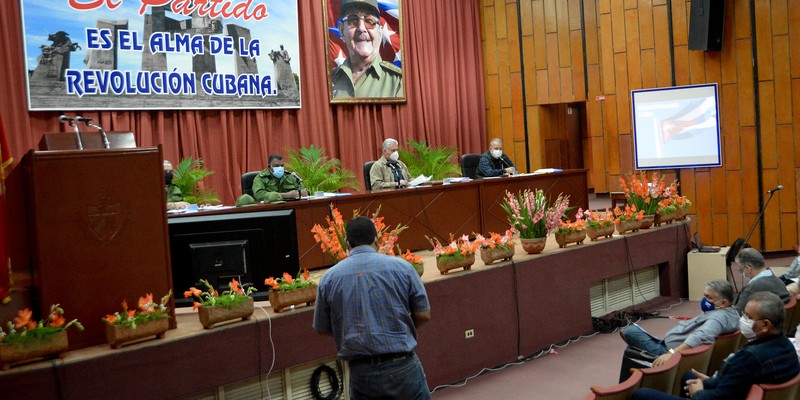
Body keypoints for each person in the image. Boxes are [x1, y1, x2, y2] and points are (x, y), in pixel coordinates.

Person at [313, 216, 431, 399]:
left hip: (362, 373)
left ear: (346, 242)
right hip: (402, 367)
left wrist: (353, 333)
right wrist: (399, 330)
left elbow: (322, 328)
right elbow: (423, 315)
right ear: (376, 239)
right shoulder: (403, 268)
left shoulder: (329, 278)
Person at [631, 291, 800, 400]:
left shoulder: (750, 357)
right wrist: (714, 380)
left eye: (748, 317)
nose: (743, 320)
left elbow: (720, 398)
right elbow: (740, 381)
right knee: (687, 376)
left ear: (765, 325)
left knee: (641, 395)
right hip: (740, 391)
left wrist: (699, 392)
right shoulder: (786, 346)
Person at [618, 280, 739, 382]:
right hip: (670, 346)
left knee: (630, 332)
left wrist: (670, 354)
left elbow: (701, 336)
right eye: (704, 296)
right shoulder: (731, 313)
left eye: (709, 297)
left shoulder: (718, 318)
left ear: (723, 302)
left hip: (668, 351)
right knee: (632, 349)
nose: (704, 300)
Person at [331, 0, 403, 98]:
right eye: (353, 20)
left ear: (380, 32)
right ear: (342, 31)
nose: (361, 28)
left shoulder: (399, 83)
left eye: (370, 21)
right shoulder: (328, 81)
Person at [733, 247, 790, 313]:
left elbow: (736, 314)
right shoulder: (779, 282)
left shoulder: (752, 288)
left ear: (748, 268)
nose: (742, 272)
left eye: (741, 270)